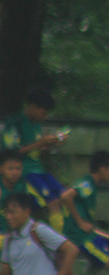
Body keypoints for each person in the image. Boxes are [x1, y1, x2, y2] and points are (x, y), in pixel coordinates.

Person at [0, 89, 67, 226]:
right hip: (25, 172)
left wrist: (49, 145)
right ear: (33, 107)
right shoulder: (15, 123)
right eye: (43, 113)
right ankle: (59, 243)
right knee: (52, 202)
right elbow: (10, 154)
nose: (45, 117)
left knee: (65, 196)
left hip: (40, 170)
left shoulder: (36, 124)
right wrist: (39, 143)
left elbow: (35, 151)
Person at [59, 150, 109, 275]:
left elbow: (89, 226)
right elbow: (65, 197)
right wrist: (79, 221)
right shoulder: (87, 184)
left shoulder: (91, 186)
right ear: (102, 169)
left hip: (91, 236)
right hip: (82, 239)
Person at [0, 150, 28, 239]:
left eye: (18, 168)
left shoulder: (22, 185)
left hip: (16, 230)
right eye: (10, 169)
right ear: (1, 169)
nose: (15, 173)